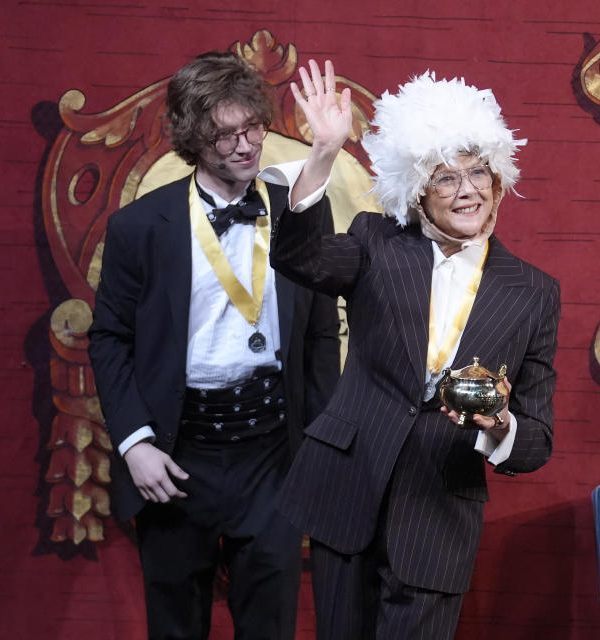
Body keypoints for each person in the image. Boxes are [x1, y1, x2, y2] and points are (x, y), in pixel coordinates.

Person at [267, 61, 561, 640]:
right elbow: (298, 259)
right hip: (346, 489)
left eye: (478, 172)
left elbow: (537, 440)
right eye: (446, 177)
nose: (467, 189)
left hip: (437, 514)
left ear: (498, 179)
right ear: (417, 189)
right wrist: (323, 151)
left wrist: (498, 424)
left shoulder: (535, 291)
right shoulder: (376, 240)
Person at [87, 51, 340, 640]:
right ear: (193, 139)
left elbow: (321, 332)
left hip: (272, 454)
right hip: (177, 455)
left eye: (253, 126)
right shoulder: (140, 227)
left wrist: (319, 445)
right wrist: (134, 444)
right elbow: (109, 339)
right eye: (227, 135)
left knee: (271, 625)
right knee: (176, 628)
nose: (247, 145)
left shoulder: (295, 211)